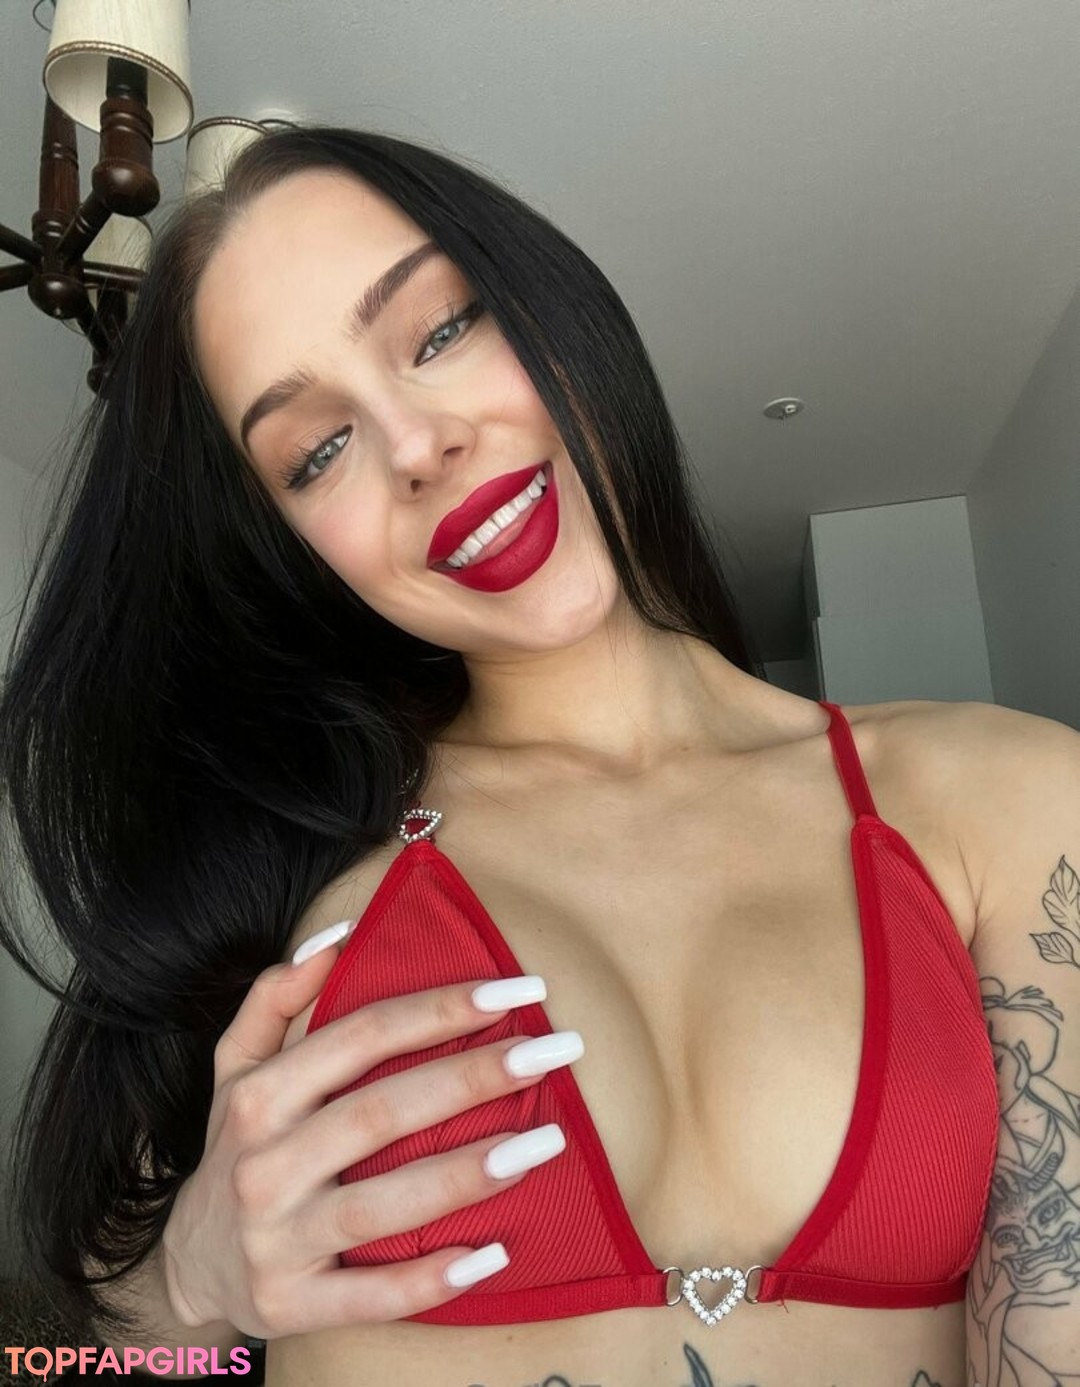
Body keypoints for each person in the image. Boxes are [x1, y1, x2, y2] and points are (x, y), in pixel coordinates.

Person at [1, 125, 1077, 1387]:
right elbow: (57, 1362)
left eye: (442, 330)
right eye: (316, 452)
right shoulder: (260, 883)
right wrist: (187, 1287)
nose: (417, 445)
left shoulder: (999, 800)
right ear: (291, 547)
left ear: (551, 310)